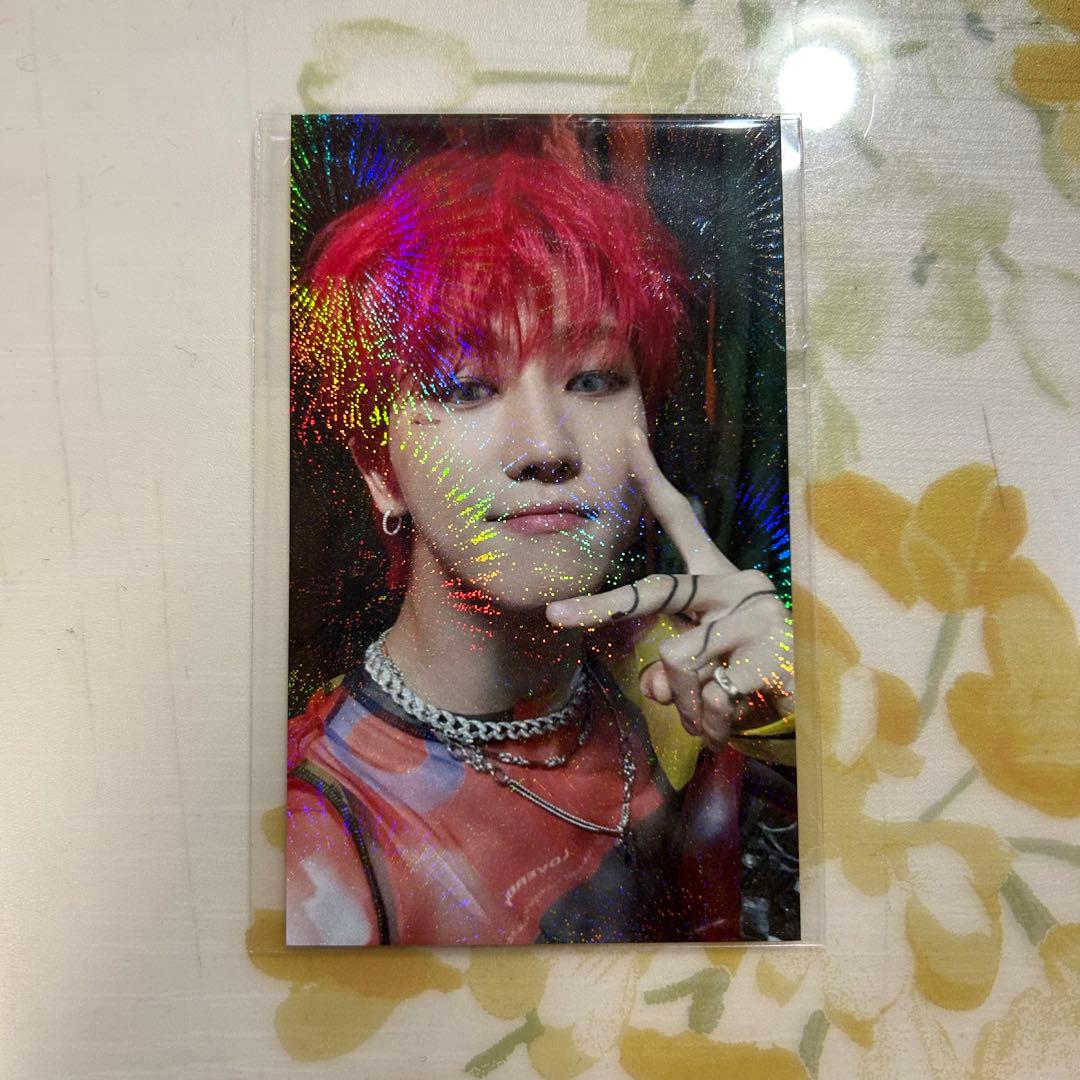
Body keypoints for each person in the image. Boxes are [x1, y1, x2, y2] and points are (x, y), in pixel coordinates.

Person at [285, 138, 794, 946]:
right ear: (381, 469)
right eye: (464, 387)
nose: (546, 447)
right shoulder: (318, 836)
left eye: (592, 379)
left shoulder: (677, 685)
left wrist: (804, 733)